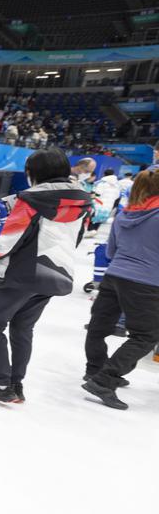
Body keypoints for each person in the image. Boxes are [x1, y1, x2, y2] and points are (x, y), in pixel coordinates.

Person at [0, 148, 92, 403]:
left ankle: (1, 384)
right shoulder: (83, 202)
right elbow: (76, 239)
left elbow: (6, 244)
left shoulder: (30, 200)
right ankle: (16, 384)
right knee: (23, 328)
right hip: (57, 272)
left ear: (34, 172)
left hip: (22, 274)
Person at [83, 169, 159, 410]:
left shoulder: (125, 213)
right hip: (146, 282)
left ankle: (94, 370)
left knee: (99, 327)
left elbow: (110, 252)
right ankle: (105, 381)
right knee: (145, 336)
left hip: (114, 276)